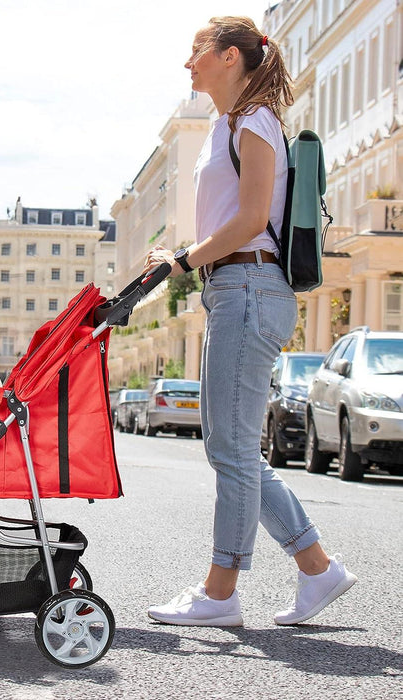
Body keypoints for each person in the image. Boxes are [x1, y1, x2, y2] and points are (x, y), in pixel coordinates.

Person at [144, 16, 356, 627]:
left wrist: (186, 258)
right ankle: (318, 570)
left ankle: (220, 593)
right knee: (229, 448)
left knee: (233, 451)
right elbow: (232, 220)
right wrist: (183, 257)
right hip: (231, 287)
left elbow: (252, 219)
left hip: (250, 286)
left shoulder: (254, 121)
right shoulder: (225, 126)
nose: (189, 64)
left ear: (230, 57)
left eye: (197, 52)